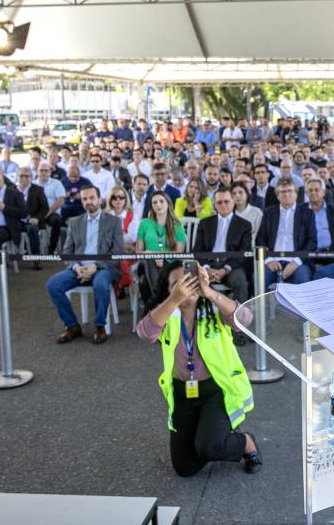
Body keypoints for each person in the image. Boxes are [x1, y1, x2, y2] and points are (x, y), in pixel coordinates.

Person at [135, 262, 261, 477]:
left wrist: (209, 292)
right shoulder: (167, 313)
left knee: (209, 446)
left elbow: (245, 318)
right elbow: (145, 333)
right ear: (168, 290)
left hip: (217, 390)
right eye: (177, 284)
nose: (185, 288)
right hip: (182, 393)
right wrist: (174, 299)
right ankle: (213, 438)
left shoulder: (212, 307)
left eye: (190, 282)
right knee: (185, 468)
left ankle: (245, 442)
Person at [47, 185, 124, 344]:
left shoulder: (114, 222)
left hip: (104, 267)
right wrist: (77, 267)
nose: (88, 201)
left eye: (92, 198)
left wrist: (95, 266)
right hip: (79, 268)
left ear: (99, 199)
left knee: (101, 283)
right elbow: (67, 251)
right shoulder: (75, 222)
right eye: (85, 199)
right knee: (53, 284)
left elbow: (117, 252)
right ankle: (72, 325)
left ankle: (100, 326)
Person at [256, 178, 317, 289]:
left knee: (303, 279)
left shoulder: (307, 213)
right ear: (277, 195)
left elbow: (312, 241)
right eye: (283, 192)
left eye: (290, 191)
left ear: (296, 194)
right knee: (258, 278)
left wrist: (296, 261)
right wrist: (268, 260)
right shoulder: (269, 212)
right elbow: (260, 239)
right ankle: (264, 307)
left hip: (298, 261)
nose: (286, 194)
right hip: (272, 260)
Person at [193, 188, 252, 303]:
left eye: (226, 201)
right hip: (208, 264)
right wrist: (207, 268)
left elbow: (244, 253)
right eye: (219, 202)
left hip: (231, 265)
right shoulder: (205, 223)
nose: (223, 205)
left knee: (240, 282)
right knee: (193, 280)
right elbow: (197, 250)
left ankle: (239, 318)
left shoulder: (244, 225)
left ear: (233, 201)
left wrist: (225, 270)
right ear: (214, 204)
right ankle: (200, 318)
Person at [136, 191, 187, 302]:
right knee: (149, 261)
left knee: (142, 282)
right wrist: (152, 255)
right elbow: (138, 251)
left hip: (170, 263)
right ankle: (160, 300)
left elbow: (179, 252)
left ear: (168, 203)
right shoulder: (144, 223)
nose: (158, 205)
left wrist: (160, 255)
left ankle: (155, 304)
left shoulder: (177, 225)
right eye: (154, 203)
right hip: (147, 263)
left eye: (161, 201)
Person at [17, 167, 49, 268]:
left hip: (33, 221)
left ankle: (36, 259)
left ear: (31, 177)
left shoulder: (37, 190)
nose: (24, 179)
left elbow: (45, 207)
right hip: (16, 221)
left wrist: (37, 218)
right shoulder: (11, 190)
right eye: (21, 176)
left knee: (32, 229)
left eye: (27, 176)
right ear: (17, 177)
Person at [36, 162, 66, 255]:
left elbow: (60, 201)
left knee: (56, 221)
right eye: (41, 170)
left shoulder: (56, 183)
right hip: (35, 213)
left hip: (51, 212)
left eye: (46, 170)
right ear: (37, 171)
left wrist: (46, 213)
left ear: (50, 172)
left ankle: (51, 249)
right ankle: (35, 251)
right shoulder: (32, 184)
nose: (44, 173)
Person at [230, 183, 262, 247]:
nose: (237, 196)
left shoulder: (257, 212)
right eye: (234, 194)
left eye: (240, 192)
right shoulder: (229, 213)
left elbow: (258, 234)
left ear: (247, 194)